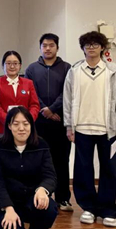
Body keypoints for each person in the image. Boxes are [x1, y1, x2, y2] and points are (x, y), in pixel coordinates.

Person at [64, 31, 116, 228]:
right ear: (83, 48)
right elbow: (68, 100)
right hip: (81, 128)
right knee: (83, 169)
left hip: (108, 130)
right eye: (87, 44)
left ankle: (108, 210)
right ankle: (89, 208)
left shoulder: (113, 71)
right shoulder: (74, 71)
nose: (91, 47)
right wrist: (69, 126)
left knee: (109, 169)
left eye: (95, 44)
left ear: (102, 48)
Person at [0, 106, 58, 229]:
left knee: (49, 209)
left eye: (26, 124)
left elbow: (50, 175)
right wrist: (8, 208)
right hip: (9, 200)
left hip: (32, 198)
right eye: (16, 124)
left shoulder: (41, 145)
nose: (21, 128)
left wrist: (43, 189)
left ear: (31, 125)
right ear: (9, 126)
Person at [25, 34, 73, 211]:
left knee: (61, 161)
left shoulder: (67, 68)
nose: (47, 48)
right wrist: (45, 110)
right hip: (39, 123)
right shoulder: (32, 69)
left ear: (57, 48)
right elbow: (31, 93)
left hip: (61, 122)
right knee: (39, 160)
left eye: (51, 45)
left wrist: (52, 109)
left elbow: (67, 92)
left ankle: (63, 198)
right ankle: (41, 196)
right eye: (44, 45)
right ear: (40, 48)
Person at [0, 50, 40, 141]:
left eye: (15, 63)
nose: (12, 66)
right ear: (3, 65)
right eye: (8, 63)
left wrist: (27, 120)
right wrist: (10, 121)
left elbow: (34, 105)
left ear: (20, 65)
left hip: (24, 129)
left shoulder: (28, 83)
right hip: (3, 128)